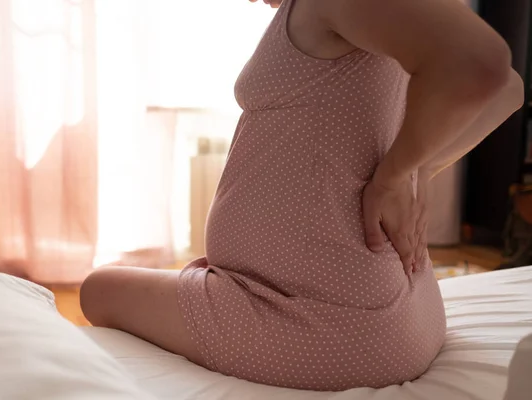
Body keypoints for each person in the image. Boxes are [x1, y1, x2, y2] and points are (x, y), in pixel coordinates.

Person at [80, 0, 523, 391]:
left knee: (98, 288)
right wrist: (417, 168)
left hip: (323, 325)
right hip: (398, 317)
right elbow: (508, 89)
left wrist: (400, 174)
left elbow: (483, 66)